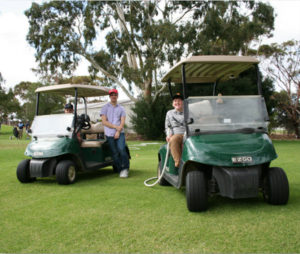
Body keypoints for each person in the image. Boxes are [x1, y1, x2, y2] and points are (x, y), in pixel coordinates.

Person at [100, 88, 129, 178]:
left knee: (121, 149)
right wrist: (115, 127)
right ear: (110, 96)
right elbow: (104, 122)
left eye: (115, 95)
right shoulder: (105, 108)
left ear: (117, 96)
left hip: (120, 133)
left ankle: (125, 169)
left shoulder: (121, 108)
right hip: (109, 134)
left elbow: (122, 122)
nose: (113, 96)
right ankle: (120, 169)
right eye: (112, 95)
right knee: (115, 153)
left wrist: (118, 131)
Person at [165, 93, 185, 169]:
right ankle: (178, 163)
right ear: (173, 104)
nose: (177, 102)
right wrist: (168, 135)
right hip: (177, 134)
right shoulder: (169, 113)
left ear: (183, 102)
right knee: (173, 140)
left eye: (179, 100)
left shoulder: (189, 112)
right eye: (175, 101)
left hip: (189, 133)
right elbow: (168, 126)